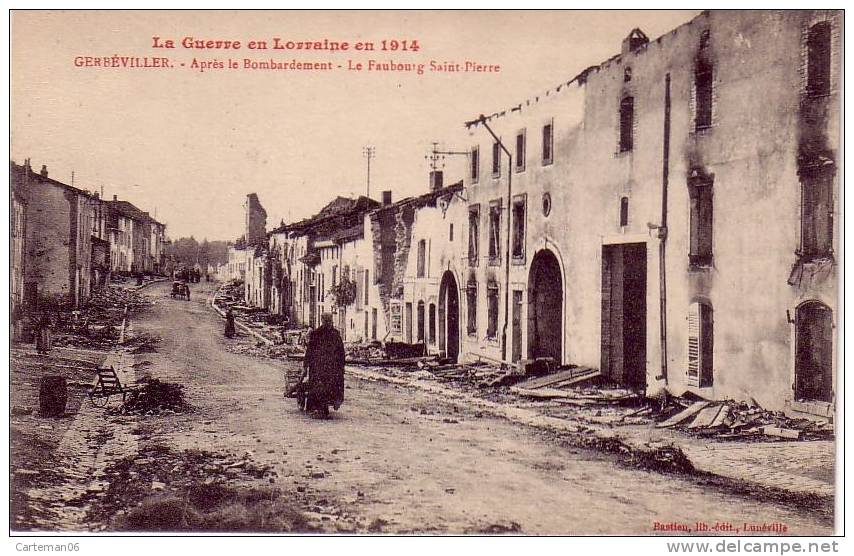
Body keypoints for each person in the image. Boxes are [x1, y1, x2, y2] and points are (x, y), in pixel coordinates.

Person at [297, 312, 345, 419]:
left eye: (329, 320)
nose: (328, 322)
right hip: (322, 367)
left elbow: (341, 352)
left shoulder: (332, 334)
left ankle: (325, 406)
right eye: (326, 320)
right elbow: (310, 351)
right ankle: (321, 408)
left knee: (328, 386)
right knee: (321, 386)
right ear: (323, 321)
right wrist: (306, 365)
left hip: (327, 367)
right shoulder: (320, 334)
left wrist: (341, 367)